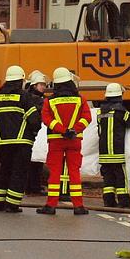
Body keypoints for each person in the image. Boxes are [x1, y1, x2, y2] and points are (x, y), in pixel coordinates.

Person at [36, 67, 91, 216]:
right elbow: (87, 118)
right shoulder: (80, 99)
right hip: (74, 140)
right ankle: (78, 206)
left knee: (55, 173)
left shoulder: (50, 101)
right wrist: (74, 130)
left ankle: (51, 205)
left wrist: (62, 130)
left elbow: (47, 120)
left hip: (56, 141)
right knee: (74, 172)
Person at [0, 65, 40, 213]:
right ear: (21, 80)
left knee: (4, 171)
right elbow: (34, 119)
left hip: (4, 143)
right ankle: (12, 204)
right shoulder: (24, 96)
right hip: (22, 142)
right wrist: (34, 132)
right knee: (19, 172)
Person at [97, 83, 130, 208]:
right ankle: (124, 201)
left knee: (108, 177)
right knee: (120, 177)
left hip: (103, 152)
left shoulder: (101, 111)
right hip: (117, 152)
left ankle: (109, 200)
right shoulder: (121, 111)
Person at [24, 70, 47, 195]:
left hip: (31, 132)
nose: (44, 87)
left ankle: (31, 186)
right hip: (35, 133)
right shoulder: (36, 99)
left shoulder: (29, 96)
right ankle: (34, 187)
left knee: (33, 161)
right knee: (35, 162)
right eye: (41, 85)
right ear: (34, 85)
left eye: (44, 85)